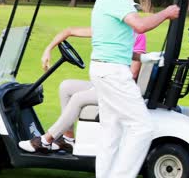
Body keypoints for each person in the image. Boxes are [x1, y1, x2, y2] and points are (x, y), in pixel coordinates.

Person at [90, 0, 179, 178]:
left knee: (112, 130)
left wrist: (140, 56)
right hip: (113, 72)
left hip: (102, 68)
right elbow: (140, 26)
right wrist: (167, 13)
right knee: (142, 126)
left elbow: (112, 40)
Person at [18, 26, 148, 153]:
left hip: (119, 91)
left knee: (78, 98)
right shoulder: (107, 28)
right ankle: (68, 139)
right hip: (104, 84)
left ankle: (45, 141)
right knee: (66, 86)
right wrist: (48, 49)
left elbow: (133, 73)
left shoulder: (137, 35)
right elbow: (69, 31)